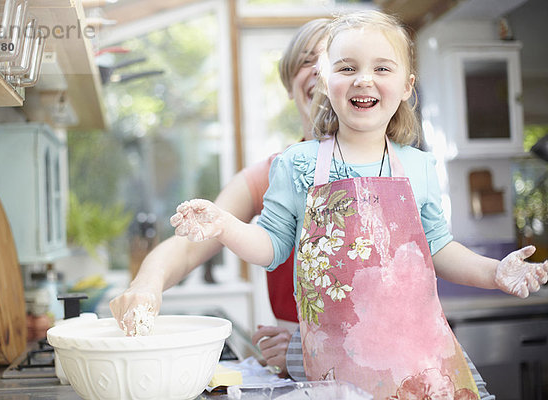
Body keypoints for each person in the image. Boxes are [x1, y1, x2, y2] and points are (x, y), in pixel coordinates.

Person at [170, 10, 548, 398]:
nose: (363, 79)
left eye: (382, 68)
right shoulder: (296, 165)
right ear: (327, 81)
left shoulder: (418, 166)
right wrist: (224, 224)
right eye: (347, 67)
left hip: (423, 369)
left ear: (406, 86)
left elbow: (439, 248)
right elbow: (269, 247)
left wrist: (494, 272)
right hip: (336, 376)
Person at [109, 18, 330, 377]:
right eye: (307, 60)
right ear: (289, 85)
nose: (319, 69)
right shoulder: (271, 174)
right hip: (297, 373)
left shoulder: (391, 166)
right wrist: (146, 285)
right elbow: (187, 245)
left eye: (336, 59)